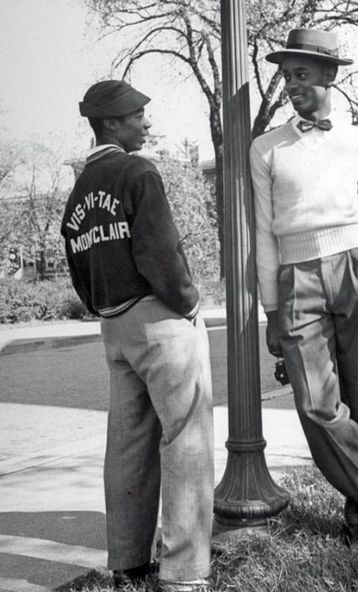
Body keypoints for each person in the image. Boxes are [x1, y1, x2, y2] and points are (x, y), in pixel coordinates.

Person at [250, 29, 358, 547]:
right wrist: (271, 307)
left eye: (301, 75)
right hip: (295, 276)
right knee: (316, 404)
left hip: (356, 266)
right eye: (286, 76)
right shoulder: (267, 149)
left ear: (330, 76)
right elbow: (263, 233)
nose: (291, 85)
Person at [61, 80, 214, 592]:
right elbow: (159, 253)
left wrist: (104, 309)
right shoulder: (137, 171)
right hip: (160, 320)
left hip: (114, 326)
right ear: (110, 124)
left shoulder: (79, 190)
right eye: (137, 117)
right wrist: (190, 301)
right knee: (186, 437)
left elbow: (79, 270)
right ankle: (185, 572)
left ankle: (127, 562)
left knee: (127, 445)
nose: (146, 124)